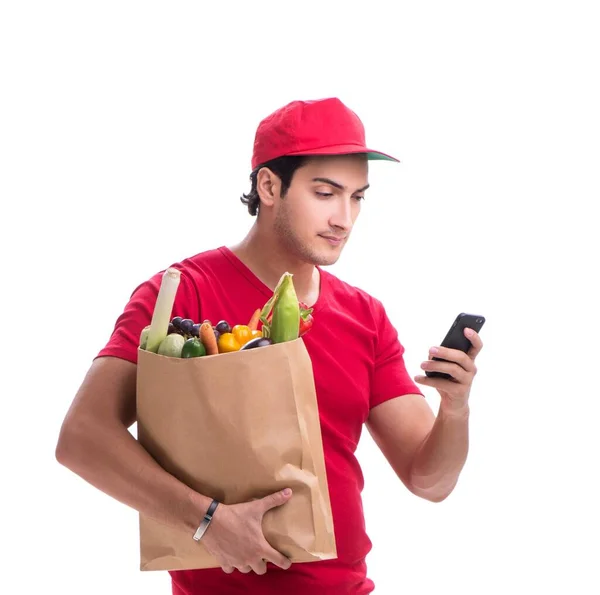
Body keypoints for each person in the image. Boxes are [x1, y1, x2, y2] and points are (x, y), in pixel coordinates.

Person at [55, 97, 483, 594]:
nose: (344, 218)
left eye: (358, 197)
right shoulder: (181, 291)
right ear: (269, 186)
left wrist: (454, 409)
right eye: (326, 193)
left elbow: (429, 481)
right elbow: (82, 437)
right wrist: (207, 521)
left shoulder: (366, 316)